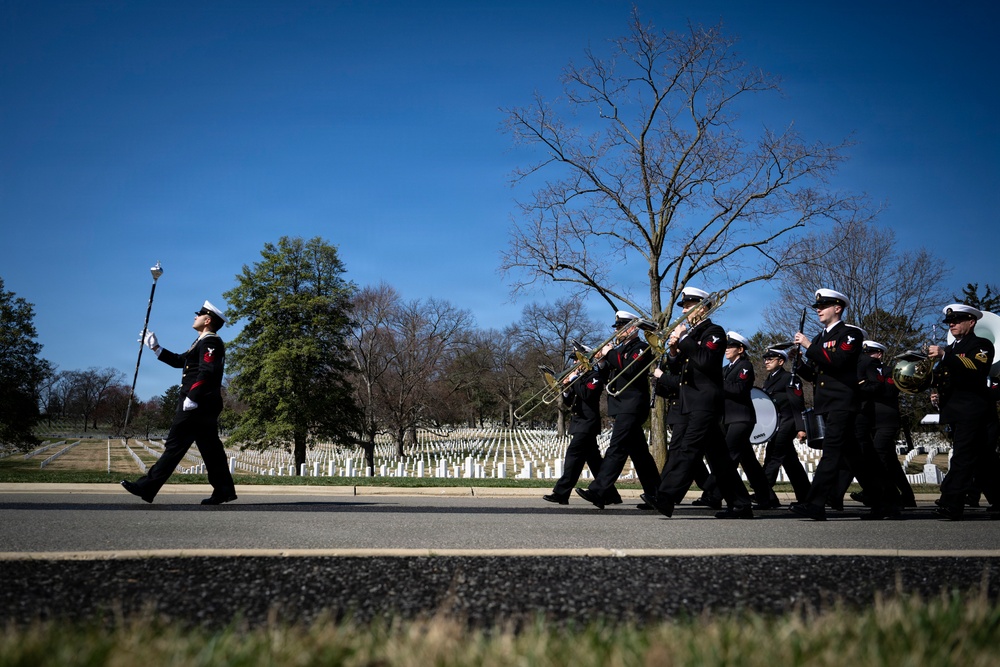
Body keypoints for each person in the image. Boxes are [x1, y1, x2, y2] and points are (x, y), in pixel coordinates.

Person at [647, 287, 754, 519]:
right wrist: (674, 352)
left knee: (689, 449)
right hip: (689, 400)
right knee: (719, 458)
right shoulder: (692, 336)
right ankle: (741, 503)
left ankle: (666, 496)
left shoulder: (714, 332)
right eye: (684, 306)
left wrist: (684, 338)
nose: (684, 310)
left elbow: (706, 361)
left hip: (705, 401)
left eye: (688, 306)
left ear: (703, 308)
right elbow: (680, 370)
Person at [121, 300, 237, 505]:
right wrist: (156, 347)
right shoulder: (201, 342)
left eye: (199, 315)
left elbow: (207, 371)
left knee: (175, 445)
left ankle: (147, 487)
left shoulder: (210, 342)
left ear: (207, 320)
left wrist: (193, 397)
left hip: (197, 404)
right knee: (211, 450)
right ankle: (224, 490)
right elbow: (180, 361)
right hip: (203, 404)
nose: (195, 317)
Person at [789, 289, 890, 520]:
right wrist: (800, 362)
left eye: (824, 306)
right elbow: (816, 376)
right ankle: (884, 502)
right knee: (855, 458)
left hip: (843, 403)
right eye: (817, 306)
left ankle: (815, 504)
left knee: (831, 452)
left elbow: (839, 362)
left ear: (838, 308)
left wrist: (808, 346)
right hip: (827, 403)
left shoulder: (850, 334)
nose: (818, 310)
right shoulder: (819, 338)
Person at [575, 311, 661, 509]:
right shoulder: (621, 349)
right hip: (622, 405)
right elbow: (610, 378)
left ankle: (599, 491)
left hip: (632, 406)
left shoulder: (641, 347)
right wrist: (603, 362)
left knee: (616, 448)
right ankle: (656, 493)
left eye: (620, 327)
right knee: (640, 454)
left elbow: (629, 369)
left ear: (631, 328)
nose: (616, 331)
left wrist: (609, 353)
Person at [927, 303, 1000, 520]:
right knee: (984, 460)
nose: (952, 324)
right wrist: (935, 391)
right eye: (950, 321)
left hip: (973, 411)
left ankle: (952, 501)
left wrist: (944, 355)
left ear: (971, 322)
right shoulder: (949, 350)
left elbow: (977, 368)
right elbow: (944, 378)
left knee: (963, 456)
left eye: (957, 320)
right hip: (955, 411)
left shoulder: (982, 344)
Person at [544, 348, 622, 505]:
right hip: (579, 423)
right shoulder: (578, 378)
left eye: (576, 360)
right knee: (595, 462)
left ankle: (561, 492)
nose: (573, 363)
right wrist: (565, 390)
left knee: (573, 457)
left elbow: (587, 394)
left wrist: (574, 379)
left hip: (587, 424)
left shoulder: (594, 377)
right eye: (573, 360)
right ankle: (611, 495)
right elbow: (569, 403)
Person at [847, 341, 914, 508]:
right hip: (871, 420)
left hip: (887, 420)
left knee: (879, 454)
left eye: (869, 353)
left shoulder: (890, 371)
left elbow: (889, 391)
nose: (865, 358)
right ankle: (906, 496)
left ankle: (881, 492)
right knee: (890, 461)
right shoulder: (862, 371)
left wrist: (867, 386)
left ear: (879, 354)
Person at [759, 347, 811, 504]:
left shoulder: (790, 378)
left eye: (771, 359)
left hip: (788, 422)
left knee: (773, 456)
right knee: (790, 462)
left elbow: (797, 404)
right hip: (776, 424)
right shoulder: (769, 380)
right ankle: (806, 497)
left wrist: (801, 427)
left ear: (781, 361)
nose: (766, 362)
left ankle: (764, 494)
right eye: (765, 359)